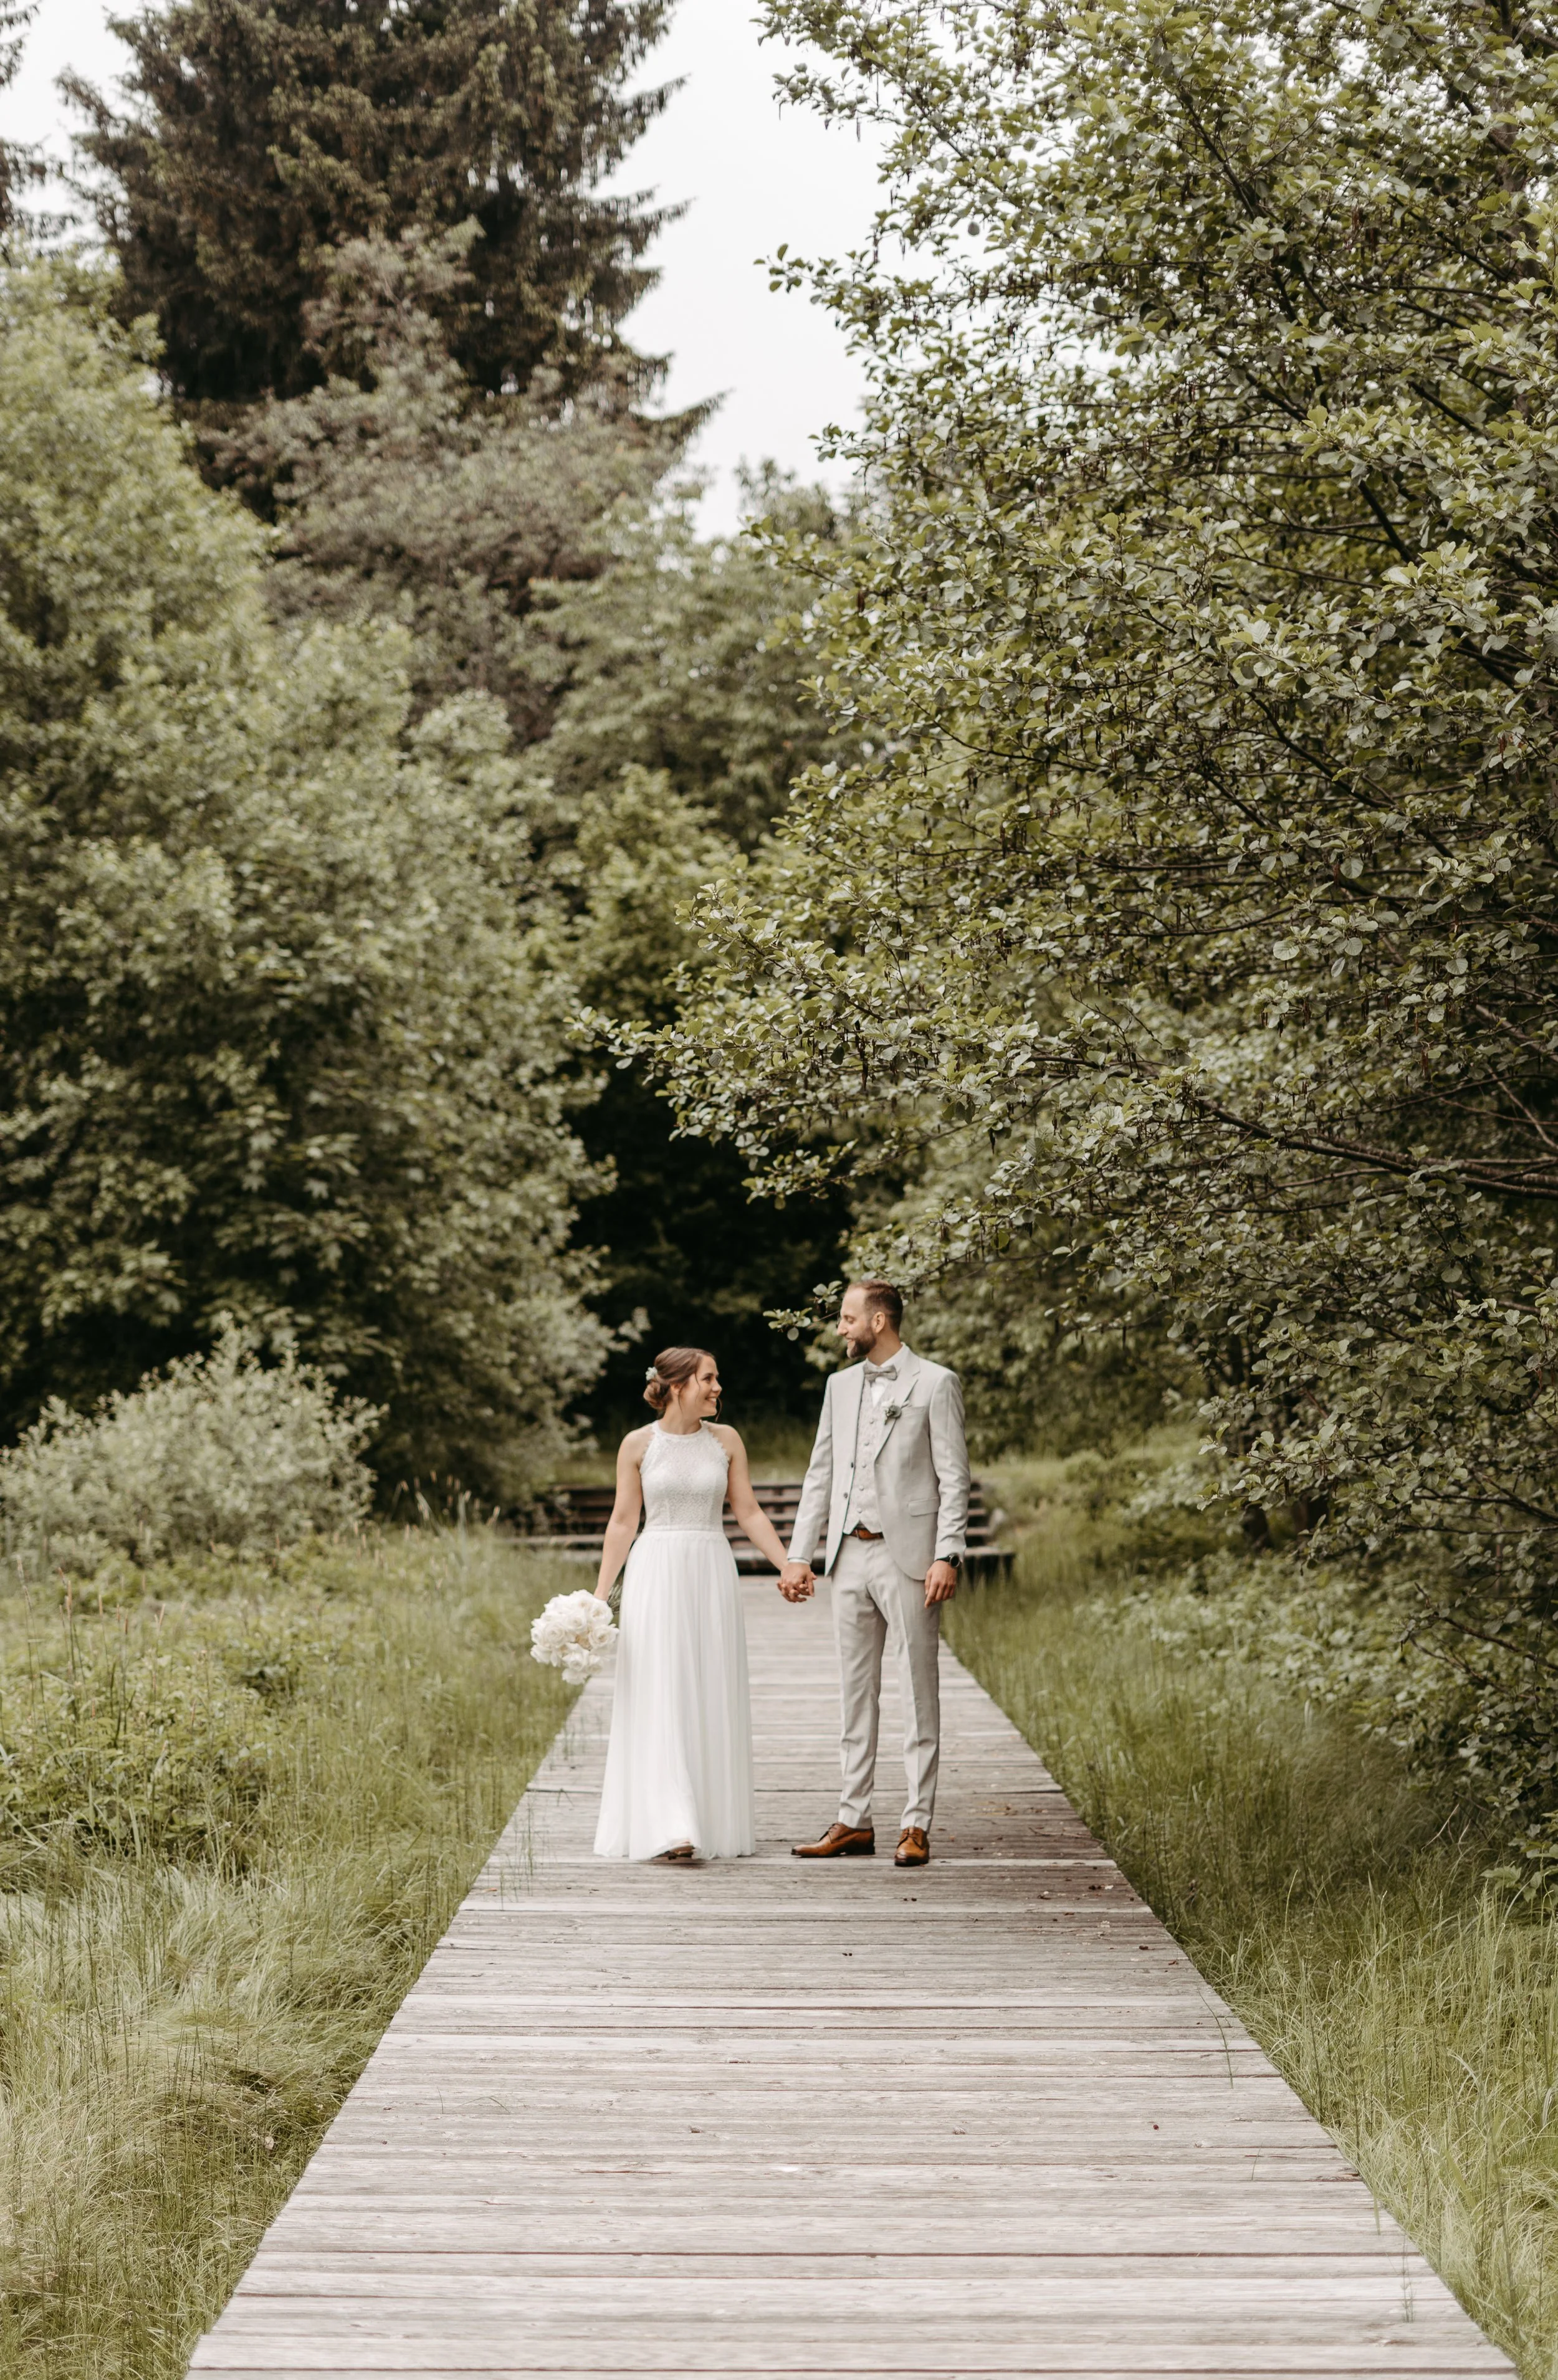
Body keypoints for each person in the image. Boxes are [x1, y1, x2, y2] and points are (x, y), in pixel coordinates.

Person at [781, 1282, 970, 1870]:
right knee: (854, 1691)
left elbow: (954, 1476)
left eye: (848, 1318)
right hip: (848, 1556)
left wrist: (949, 1553)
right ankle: (853, 1818)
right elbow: (820, 1474)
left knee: (917, 1692)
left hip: (909, 1555)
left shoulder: (935, 1383)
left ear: (879, 1319)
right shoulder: (839, 1387)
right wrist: (799, 1554)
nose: (841, 1328)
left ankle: (916, 1824)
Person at [591, 1346, 801, 1864]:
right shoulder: (638, 1445)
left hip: (710, 1568)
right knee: (660, 1687)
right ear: (678, 1385)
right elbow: (623, 1522)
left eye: (717, 1379)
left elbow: (747, 1510)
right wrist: (599, 1597)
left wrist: (787, 1563)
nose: (717, 1388)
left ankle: (703, 1816)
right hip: (656, 1570)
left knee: (705, 1685)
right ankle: (672, 1823)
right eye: (708, 1379)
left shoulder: (726, 1442)